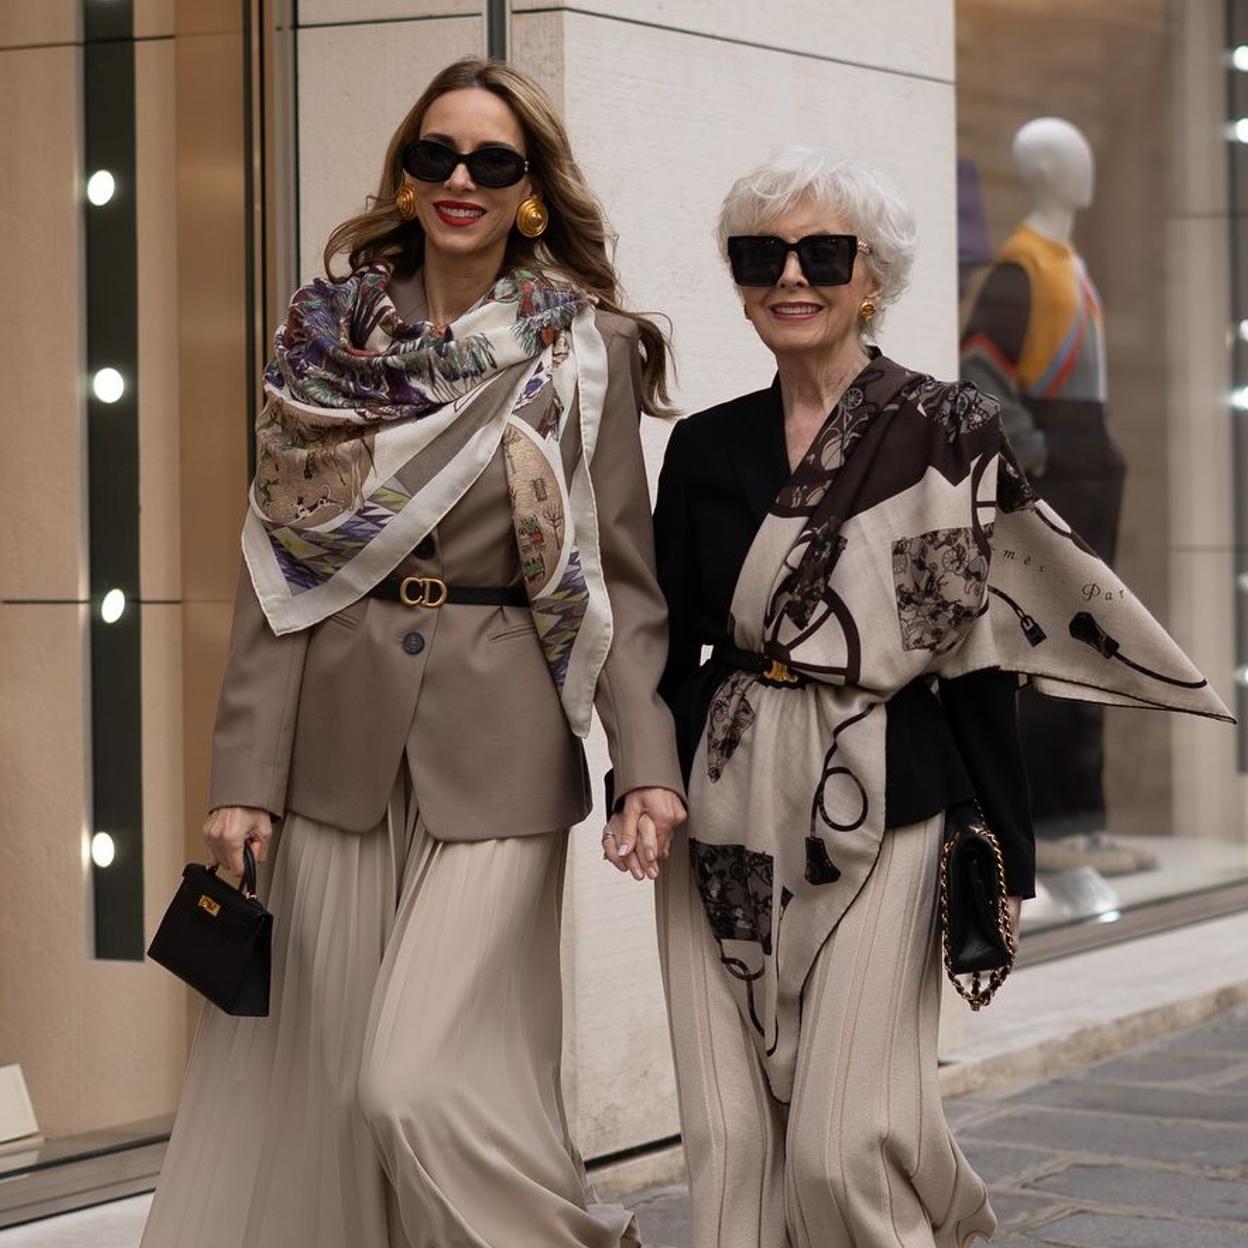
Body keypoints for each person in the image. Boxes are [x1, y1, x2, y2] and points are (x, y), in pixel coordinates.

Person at [632, 146, 1230, 1248]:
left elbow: (978, 654)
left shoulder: (945, 435)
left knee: (839, 1144)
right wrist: (644, 784)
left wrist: (1006, 846)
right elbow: (664, 643)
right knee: (727, 1141)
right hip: (722, 795)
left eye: (822, 252)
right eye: (763, 255)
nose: (791, 277)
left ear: (873, 277)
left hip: (886, 789)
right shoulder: (705, 447)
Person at [142, 56, 685, 1248]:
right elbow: (276, 566)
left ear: (530, 189)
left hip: (502, 749)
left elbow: (625, 582)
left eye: (493, 162)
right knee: (337, 1099)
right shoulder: (323, 338)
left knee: (417, 1085)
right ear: (402, 170)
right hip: (335, 750)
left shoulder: (588, 348)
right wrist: (243, 775)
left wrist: (645, 761)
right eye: (436, 154)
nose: (460, 180)